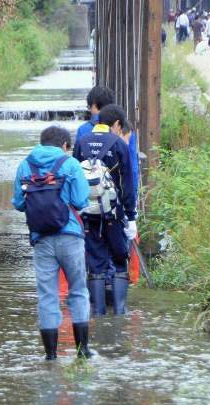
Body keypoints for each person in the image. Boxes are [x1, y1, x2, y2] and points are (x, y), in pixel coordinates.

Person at [12, 126, 92, 360]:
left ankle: (50, 355)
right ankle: (82, 351)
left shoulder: (25, 165)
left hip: (42, 239)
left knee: (48, 294)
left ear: (42, 143)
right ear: (65, 146)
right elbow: (79, 200)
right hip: (70, 237)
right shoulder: (70, 164)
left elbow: (18, 203)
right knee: (78, 290)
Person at [73, 104, 137, 316]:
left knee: (96, 264)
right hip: (114, 214)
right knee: (120, 260)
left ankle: (98, 313)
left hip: (88, 214)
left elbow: (74, 179)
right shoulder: (119, 144)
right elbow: (127, 184)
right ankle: (120, 312)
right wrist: (131, 216)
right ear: (117, 124)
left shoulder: (81, 142)